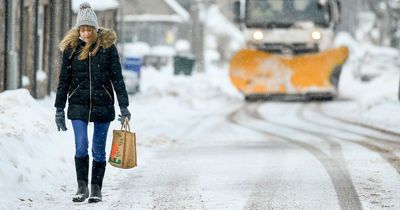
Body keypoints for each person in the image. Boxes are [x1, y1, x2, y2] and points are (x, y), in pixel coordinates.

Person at [54, 2, 131, 203]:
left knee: (98, 149)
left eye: (89, 29)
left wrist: (124, 105)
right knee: (81, 146)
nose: (86, 33)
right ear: (78, 29)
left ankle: (96, 188)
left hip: (103, 104)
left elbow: (117, 78)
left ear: (95, 29)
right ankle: (82, 187)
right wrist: (59, 109)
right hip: (78, 104)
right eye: (83, 29)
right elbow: (64, 81)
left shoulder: (107, 49)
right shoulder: (70, 50)